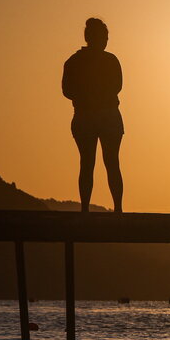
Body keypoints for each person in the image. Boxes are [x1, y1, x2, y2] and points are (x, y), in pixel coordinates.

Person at [62, 17, 124, 212]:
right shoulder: (109, 61)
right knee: (110, 163)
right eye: (104, 37)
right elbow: (117, 87)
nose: (106, 41)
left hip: (88, 117)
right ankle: (117, 209)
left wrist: (86, 95)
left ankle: (87, 210)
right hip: (102, 117)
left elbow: (67, 90)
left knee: (88, 163)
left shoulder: (74, 61)